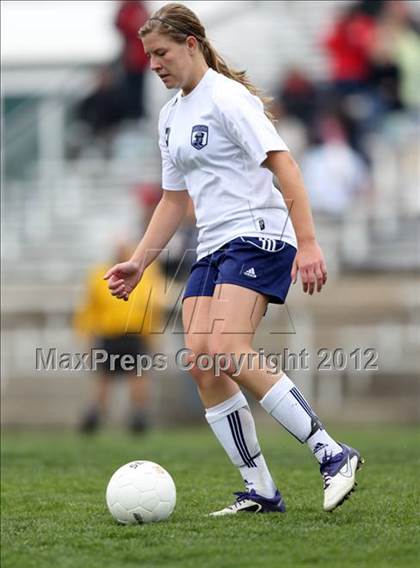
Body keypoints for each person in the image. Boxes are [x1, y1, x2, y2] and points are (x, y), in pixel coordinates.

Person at [104, 3, 364, 515]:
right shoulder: (171, 115)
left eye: (161, 53)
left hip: (260, 233)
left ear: (192, 45)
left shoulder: (228, 98)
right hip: (214, 244)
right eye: (148, 56)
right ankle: (261, 490)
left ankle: (333, 455)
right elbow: (174, 201)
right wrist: (139, 261)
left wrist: (309, 243)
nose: (154, 64)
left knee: (227, 346)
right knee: (202, 360)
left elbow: (285, 166)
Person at [74, 241, 164, 433]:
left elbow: (151, 307)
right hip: (109, 333)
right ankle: (95, 414)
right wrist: (87, 336)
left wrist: (152, 335)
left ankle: (138, 415)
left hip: (134, 333)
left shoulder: (146, 275)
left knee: (137, 376)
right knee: (104, 377)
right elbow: (90, 308)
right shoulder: (100, 275)